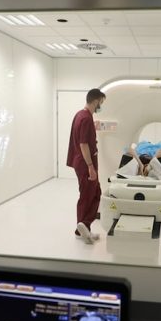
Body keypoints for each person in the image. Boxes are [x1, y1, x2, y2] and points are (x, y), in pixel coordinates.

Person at [67, 88, 106, 244]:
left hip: (81, 162)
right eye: (101, 103)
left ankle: (83, 229)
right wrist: (90, 166)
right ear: (95, 101)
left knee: (92, 193)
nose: (101, 106)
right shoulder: (86, 118)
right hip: (85, 163)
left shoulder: (80, 115)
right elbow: (83, 144)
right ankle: (83, 225)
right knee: (89, 195)